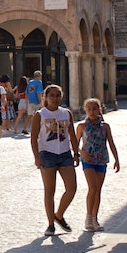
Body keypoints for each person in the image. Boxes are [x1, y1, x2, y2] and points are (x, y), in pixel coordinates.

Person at [30, 84, 79, 236]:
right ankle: (51, 223)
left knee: (71, 188)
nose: (55, 98)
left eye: (58, 95)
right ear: (46, 97)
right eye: (52, 95)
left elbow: (72, 134)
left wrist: (76, 153)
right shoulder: (40, 114)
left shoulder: (66, 113)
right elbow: (33, 137)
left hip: (64, 153)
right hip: (47, 154)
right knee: (49, 190)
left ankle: (59, 214)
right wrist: (37, 157)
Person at [75, 98, 119, 231]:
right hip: (88, 160)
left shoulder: (105, 126)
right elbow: (74, 144)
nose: (92, 111)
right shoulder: (82, 126)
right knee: (92, 188)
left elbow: (111, 142)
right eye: (89, 109)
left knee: (98, 189)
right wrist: (81, 153)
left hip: (101, 159)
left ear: (99, 109)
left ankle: (95, 218)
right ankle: (88, 217)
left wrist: (116, 158)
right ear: (85, 110)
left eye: (94, 109)